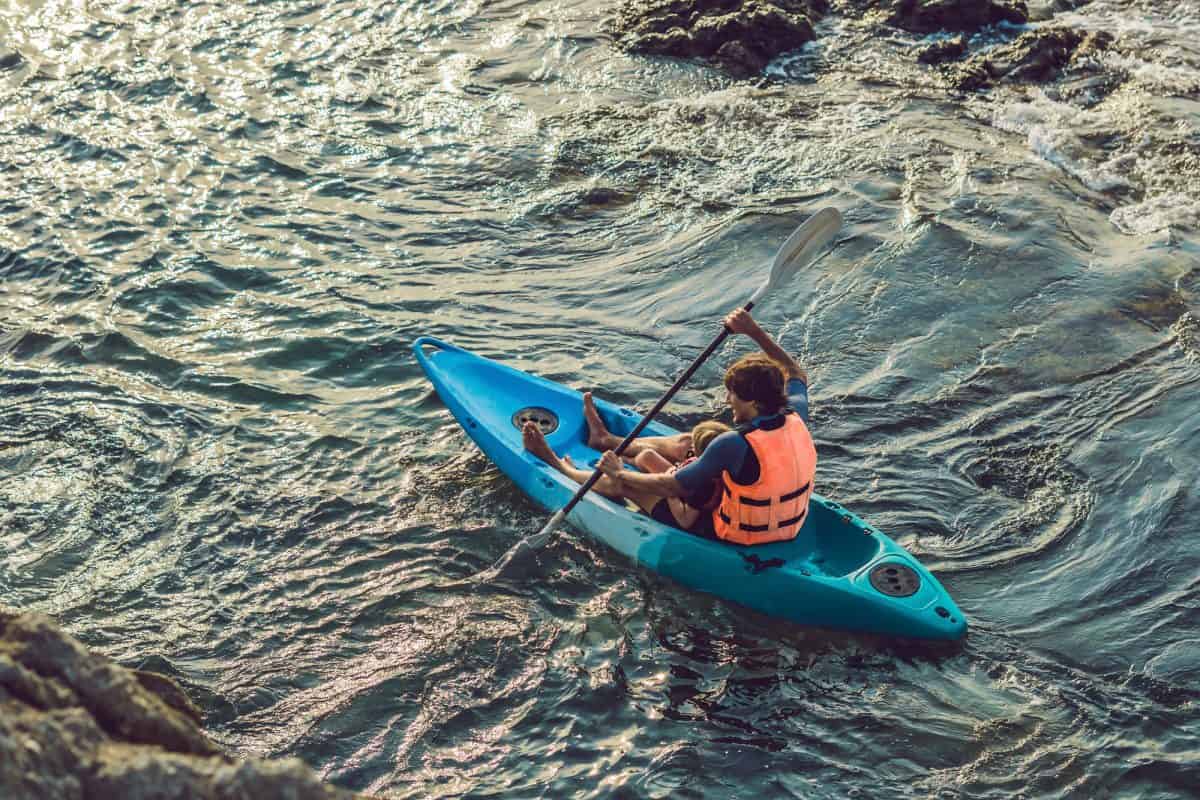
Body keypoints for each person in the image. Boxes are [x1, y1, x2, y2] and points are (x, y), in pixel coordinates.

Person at [523, 308, 816, 545]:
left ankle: (561, 468)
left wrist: (620, 472)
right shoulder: (795, 415)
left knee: (625, 483)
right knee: (689, 441)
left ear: (752, 401)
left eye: (733, 396)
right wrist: (752, 331)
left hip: (732, 534)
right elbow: (794, 371)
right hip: (787, 526)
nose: (728, 401)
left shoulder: (734, 444)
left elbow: (672, 485)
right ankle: (607, 440)